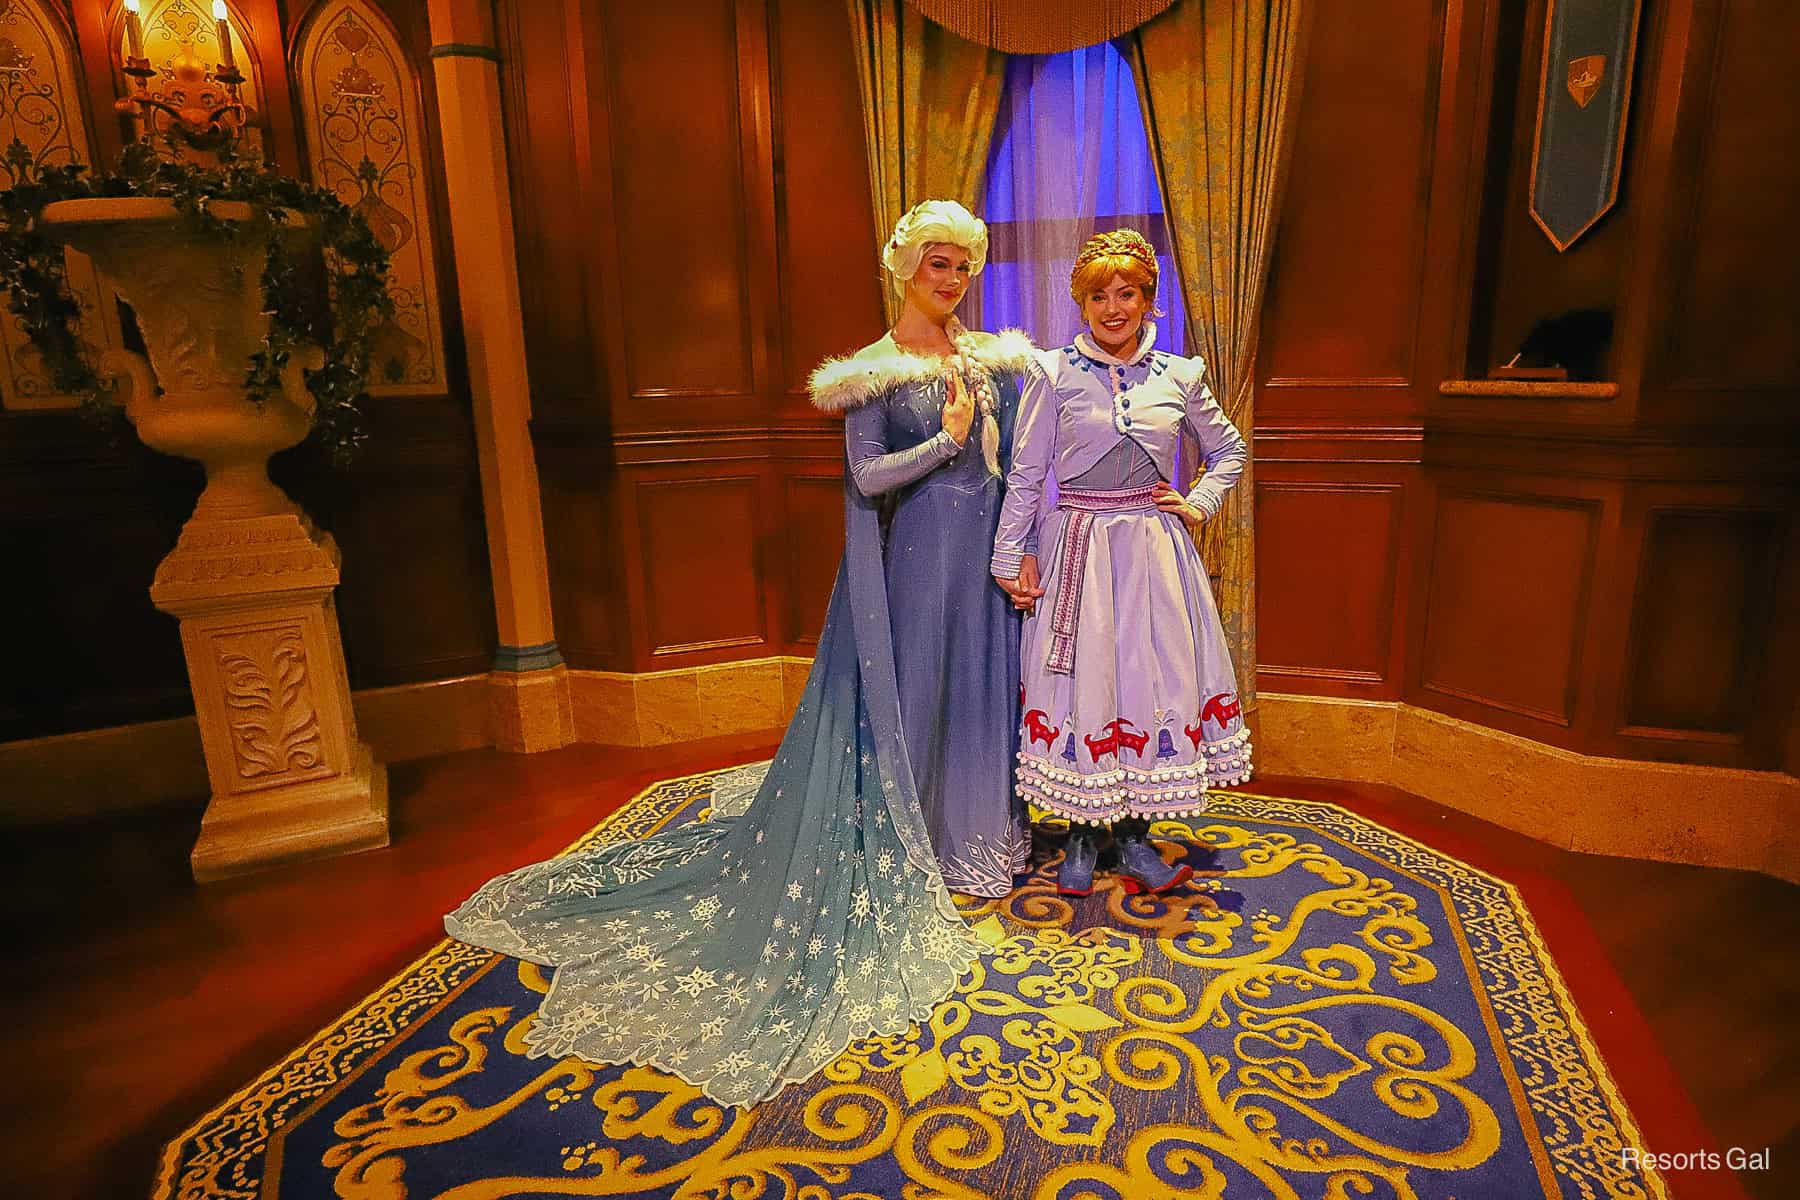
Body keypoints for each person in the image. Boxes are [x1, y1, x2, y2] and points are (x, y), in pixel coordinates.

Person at [443, 200, 1035, 1109]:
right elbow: (866, 477)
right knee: (917, 691)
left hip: (979, 558)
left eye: (962, 266)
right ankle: (916, 844)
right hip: (914, 559)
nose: (950, 281)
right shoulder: (871, 374)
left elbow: (1019, 463)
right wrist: (942, 442)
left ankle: (970, 837)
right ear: (904, 268)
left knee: (974, 691)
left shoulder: (989, 357)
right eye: (936, 265)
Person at [991, 228, 1252, 898]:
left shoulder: (1180, 376)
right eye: (1100, 295)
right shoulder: (1053, 374)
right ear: (1081, 303)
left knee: (1144, 682)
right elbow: (1026, 474)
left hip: (1152, 556)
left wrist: (1196, 502)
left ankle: (1134, 839)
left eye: (1127, 293)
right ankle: (1081, 835)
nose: (1115, 307)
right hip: (1076, 548)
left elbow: (1230, 452)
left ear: (1147, 300)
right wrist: (1010, 554)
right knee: (1083, 682)